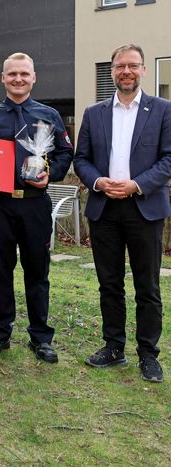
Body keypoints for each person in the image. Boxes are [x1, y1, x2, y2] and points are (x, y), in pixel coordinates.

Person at [74, 44, 171, 383]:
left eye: (132, 66)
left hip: (144, 208)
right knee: (109, 283)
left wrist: (136, 185)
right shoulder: (95, 112)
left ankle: (148, 354)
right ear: (112, 70)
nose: (126, 71)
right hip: (104, 209)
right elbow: (80, 158)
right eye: (119, 66)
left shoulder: (162, 110)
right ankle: (113, 347)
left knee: (147, 286)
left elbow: (168, 160)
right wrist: (98, 181)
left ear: (143, 70)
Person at [0, 52, 72, 363]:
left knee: (37, 271)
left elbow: (65, 154)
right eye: (12, 74)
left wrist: (50, 176)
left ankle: (40, 338)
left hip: (34, 205)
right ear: (3, 78)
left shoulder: (50, 116)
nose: (18, 79)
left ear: (34, 77)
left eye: (24, 74)